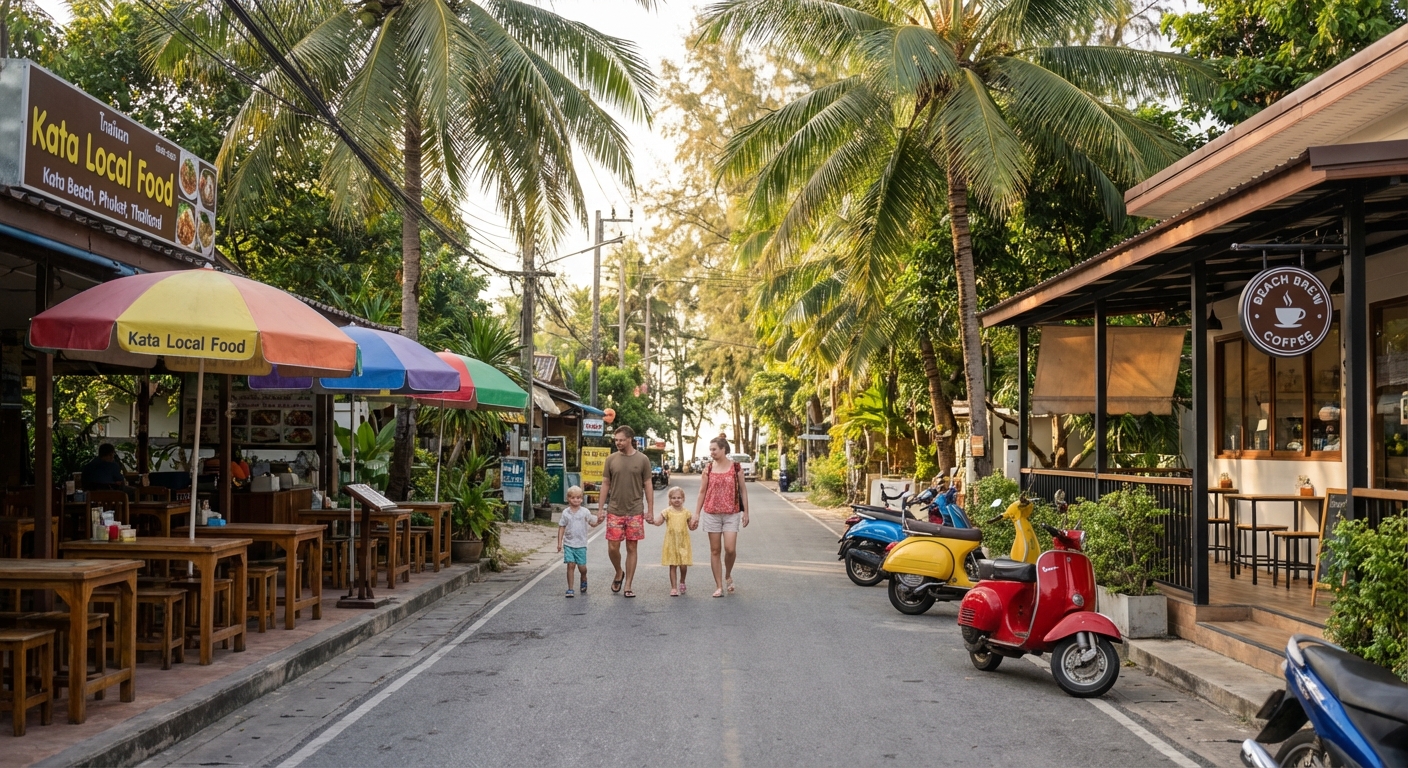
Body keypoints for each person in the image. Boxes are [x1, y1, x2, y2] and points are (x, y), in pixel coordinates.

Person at [598, 425, 654, 597]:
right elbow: (605, 484)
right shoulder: (611, 459)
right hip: (615, 509)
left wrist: (650, 509)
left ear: (630, 439)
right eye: (616, 440)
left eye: (621, 440)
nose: (618, 443)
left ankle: (628, 584)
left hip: (635, 509)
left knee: (632, 547)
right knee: (613, 547)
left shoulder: (643, 459)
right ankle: (618, 571)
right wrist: (600, 508)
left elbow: (648, 485)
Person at [695, 436, 749, 598]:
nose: (711, 453)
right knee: (715, 550)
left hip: (731, 513)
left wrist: (746, 511)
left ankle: (728, 574)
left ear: (724, 449)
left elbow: (743, 490)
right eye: (710, 450)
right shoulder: (708, 469)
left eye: (714, 449)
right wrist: (697, 513)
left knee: (730, 549)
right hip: (711, 513)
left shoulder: (736, 468)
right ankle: (719, 585)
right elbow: (702, 491)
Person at [556, 486, 601, 598]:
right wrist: (559, 543)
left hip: (581, 544)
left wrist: (600, 520)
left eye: (578, 497)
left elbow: (592, 523)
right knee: (570, 565)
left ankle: (584, 577)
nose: (576, 500)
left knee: (582, 567)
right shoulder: (565, 513)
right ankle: (570, 588)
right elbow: (561, 527)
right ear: (568, 498)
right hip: (569, 544)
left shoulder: (585, 512)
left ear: (581, 499)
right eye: (573, 498)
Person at [655, 486, 693, 596]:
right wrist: (652, 520)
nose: (676, 500)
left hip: (683, 542)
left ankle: (682, 580)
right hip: (671, 542)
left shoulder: (687, 512)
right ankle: (674, 587)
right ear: (670, 499)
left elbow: (691, 526)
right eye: (674, 498)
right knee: (673, 565)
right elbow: (658, 522)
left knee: (683, 564)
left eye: (679, 498)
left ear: (683, 499)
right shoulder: (667, 511)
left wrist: (694, 523)